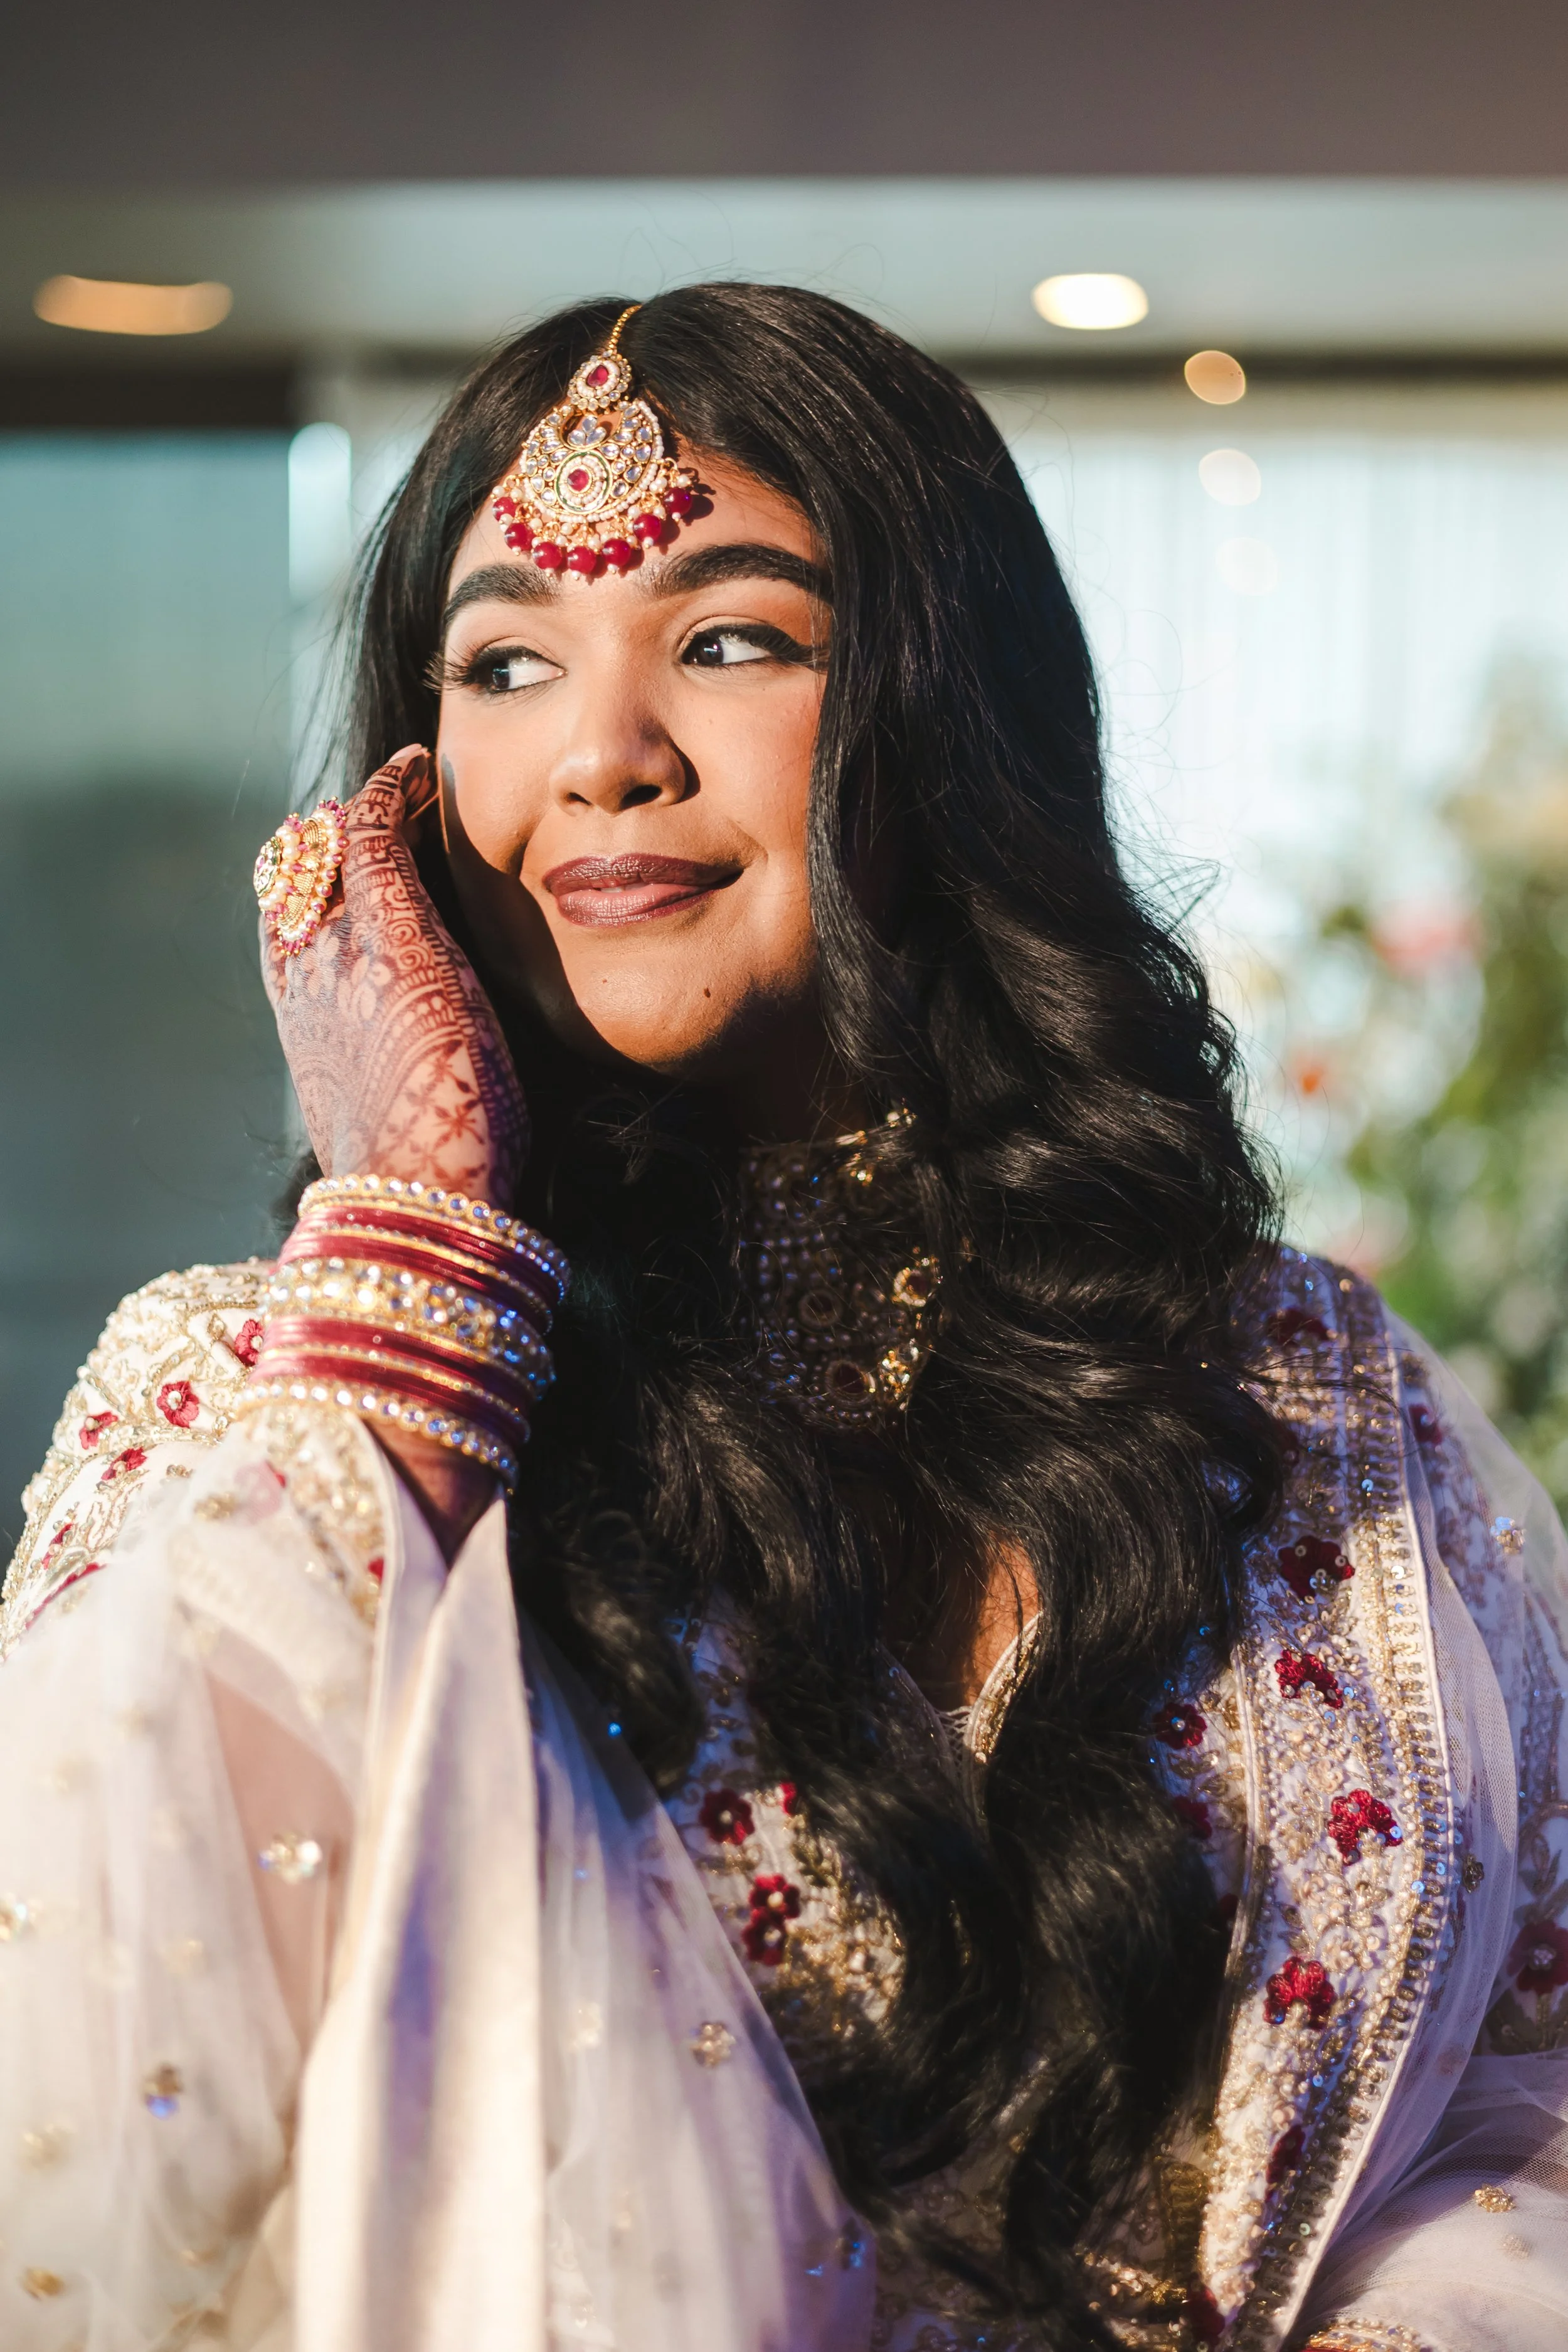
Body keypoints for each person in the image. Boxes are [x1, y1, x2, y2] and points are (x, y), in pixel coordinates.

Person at [0, 285, 1564, 2352]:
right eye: (503, 663)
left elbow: (1508, 2077)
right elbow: (97, 2111)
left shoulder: (1306, 1402)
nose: (601, 751)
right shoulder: (249, 1400)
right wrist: (418, 1294)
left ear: (946, 725)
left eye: (731, 638)